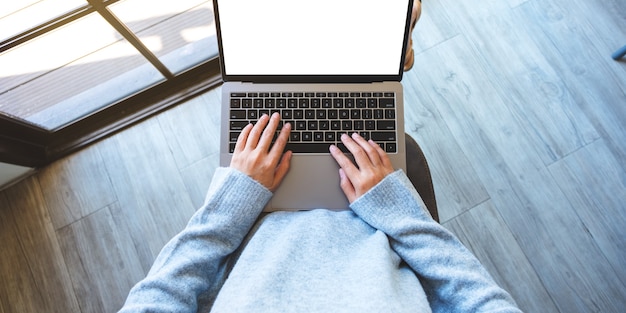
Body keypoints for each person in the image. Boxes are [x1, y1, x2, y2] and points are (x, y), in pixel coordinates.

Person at [118, 112, 523, 313]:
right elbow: (478, 300)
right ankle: (390, 51)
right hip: (377, 223)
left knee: (266, 117)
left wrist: (233, 205)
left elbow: (157, 297)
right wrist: (399, 214)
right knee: (376, 118)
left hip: (252, 222)